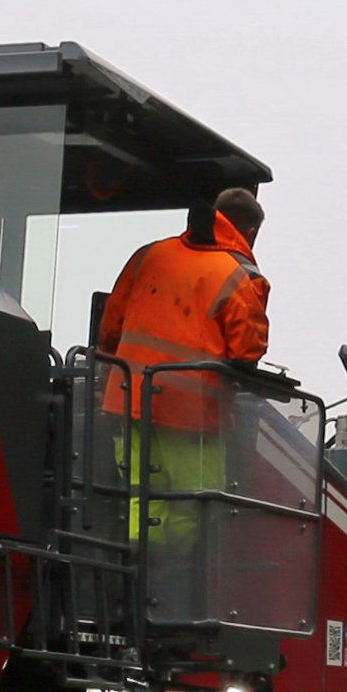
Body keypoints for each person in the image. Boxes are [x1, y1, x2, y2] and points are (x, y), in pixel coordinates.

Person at [95, 187, 271, 574]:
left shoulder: (149, 256)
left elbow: (110, 328)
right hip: (192, 413)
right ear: (251, 230)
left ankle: (137, 573)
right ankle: (178, 577)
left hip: (130, 397)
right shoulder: (240, 275)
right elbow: (247, 351)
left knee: (142, 492)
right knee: (196, 501)